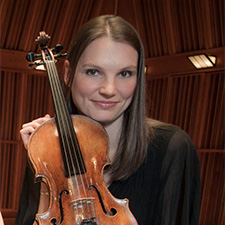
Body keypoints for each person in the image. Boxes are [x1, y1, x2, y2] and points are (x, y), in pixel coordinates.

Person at [15, 15, 201, 225]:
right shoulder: (47, 148)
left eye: (125, 73)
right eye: (93, 72)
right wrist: (46, 187)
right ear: (68, 74)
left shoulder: (172, 148)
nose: (109, 90)